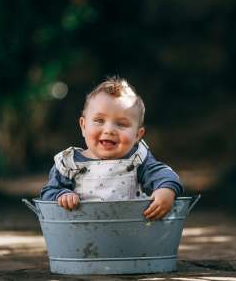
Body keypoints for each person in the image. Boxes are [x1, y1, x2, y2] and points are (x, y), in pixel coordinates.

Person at [40, 76, 183, 220]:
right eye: (99, 121)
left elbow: (163, 173)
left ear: (137, 135)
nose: (109, 130)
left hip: (128, 232)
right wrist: (62, 195)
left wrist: (166, 189)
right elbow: (48, 193)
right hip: (80, 235)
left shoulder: (137, 159)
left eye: (121, 124)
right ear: (83, 126)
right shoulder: (69, 163)